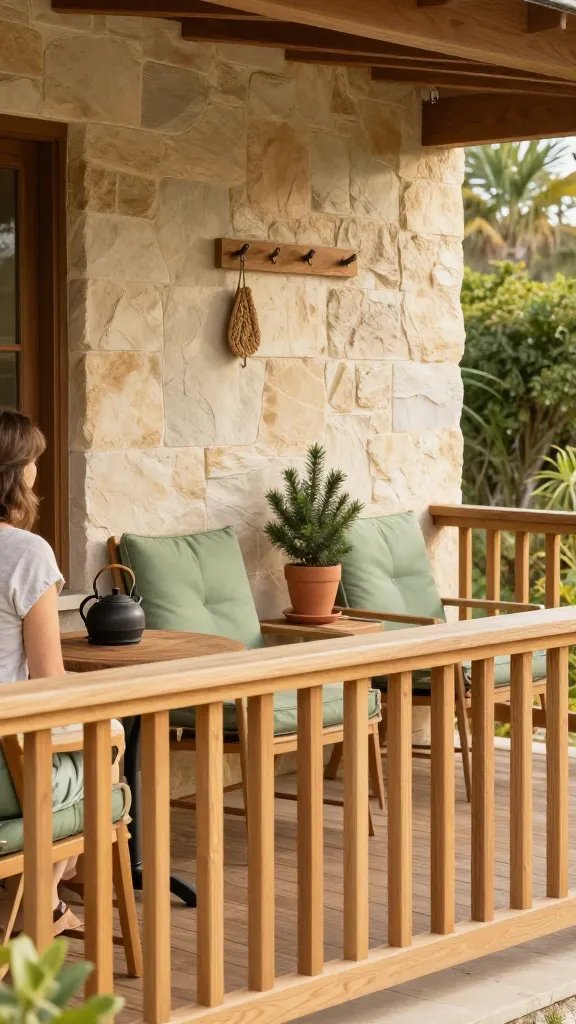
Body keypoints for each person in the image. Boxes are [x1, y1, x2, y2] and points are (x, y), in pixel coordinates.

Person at [0, 410, 80, 935]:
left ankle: (44, 905)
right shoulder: (26, 553)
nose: (36, 473)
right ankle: (40, 910)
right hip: (6, 774)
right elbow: (50, 682)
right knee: (107, 755)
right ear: (15, 473)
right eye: (32, 462)